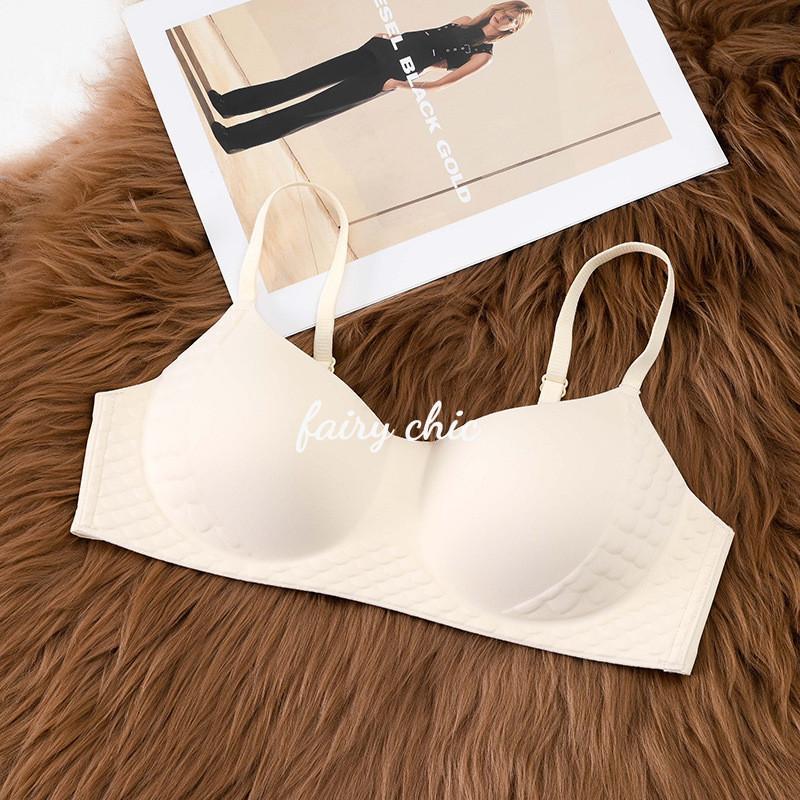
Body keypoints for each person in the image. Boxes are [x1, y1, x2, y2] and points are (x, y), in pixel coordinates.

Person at [208, 3, 532, 154]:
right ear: (498, 9)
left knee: (311, 109)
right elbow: (427, 39)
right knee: (301, 81)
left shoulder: (484, 55)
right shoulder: (463, 20)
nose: (505, 17)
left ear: (513, 30)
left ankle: (235, 139)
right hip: (380, 50)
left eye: (512, 20)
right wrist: (391, 38)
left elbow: (441, 82)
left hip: (390, 75)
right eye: (507, 11)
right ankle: (229, 104)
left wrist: (400, 84)